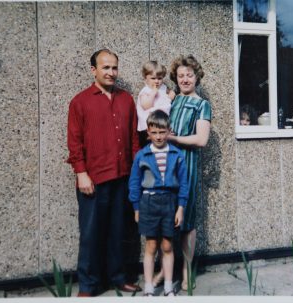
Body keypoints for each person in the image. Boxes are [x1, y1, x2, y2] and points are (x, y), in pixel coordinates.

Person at [66, 48, 142, 297]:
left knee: (119, 231)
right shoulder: (80, 101)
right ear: (94, 70)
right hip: (94, 178)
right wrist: (81, 173)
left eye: (114, 68)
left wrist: (134, 175)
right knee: (90, 234)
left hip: (122, 176)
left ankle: (118, 277)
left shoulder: (126, 99)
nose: (111, 72)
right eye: (106, 67)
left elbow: (133, 139)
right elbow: (75, 141)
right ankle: (88, 285)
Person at [151, 54, 211, 291]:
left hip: (187, 167)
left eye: (189, 75)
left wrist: (173, 138)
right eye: (180, 75)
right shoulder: (170, 101)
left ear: (197, 77)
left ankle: (187, 273)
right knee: (164, 220)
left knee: (186, 222)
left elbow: (202, 139)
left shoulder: (202, 104)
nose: (185, 79)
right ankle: (162, 272)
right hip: (165, 167)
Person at [128, 110, 189, 296]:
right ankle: (148, 286)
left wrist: (180, 208)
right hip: (148, 202)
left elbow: (184, 184)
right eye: (154, 132)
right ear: (148, 132)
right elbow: (134, 183)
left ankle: (169, 286)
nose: (158, 136)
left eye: (162, 132)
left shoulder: (176, 154)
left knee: (167, 246)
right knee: (151, 246)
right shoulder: (142, 155)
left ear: (169, 131)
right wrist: (136, 207)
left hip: (170, 203)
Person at [136, 61, 175, 147]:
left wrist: (171, 94)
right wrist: (153, 93)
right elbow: (146, 106)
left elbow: (169, 93)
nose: (157, 81)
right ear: (145, 78)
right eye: (153, 78)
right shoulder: (145, 91)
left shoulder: (163, 88)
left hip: (161, 125)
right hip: (147, 128)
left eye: (159, 78)